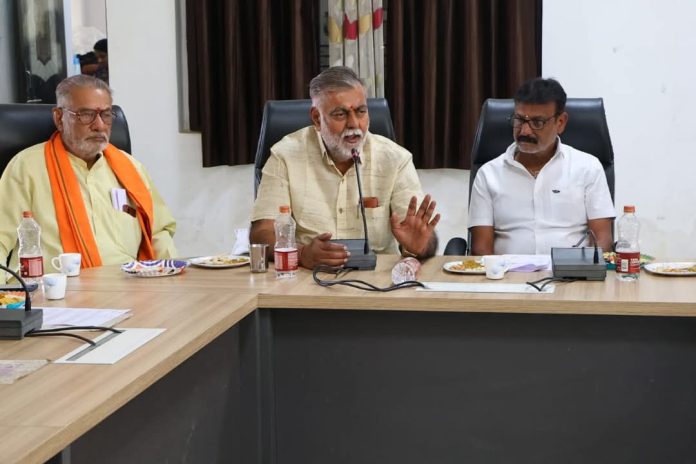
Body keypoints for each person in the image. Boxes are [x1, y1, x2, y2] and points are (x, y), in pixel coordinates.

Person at [250, 66, 439, 268]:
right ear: (317, 118)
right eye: (340, 114)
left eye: (361, 111)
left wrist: (419, 246)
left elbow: (420, 237)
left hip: (378, 280)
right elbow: (262, 233)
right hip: (307, 278)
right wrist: (302, 253)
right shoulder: (285, 156)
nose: (354, 124)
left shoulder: (395, 159)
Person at [0, 75, 177, 279]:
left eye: (106, 115)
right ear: (59, 118)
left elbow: (158, 232)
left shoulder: (132, 168)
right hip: (53, 291)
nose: (99, 125)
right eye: (86, 115)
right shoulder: (27, 167)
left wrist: (173, 278)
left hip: (129, 287)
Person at [468, 77, 615, 256]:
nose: (525, 131)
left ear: (560, 122)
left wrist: (583, 271)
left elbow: (602, 241)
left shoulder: (588, 168)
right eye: (519, 120)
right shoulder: (488, 174)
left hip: (571, 271)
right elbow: (481, 250)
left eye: (537, 123)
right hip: (506, 271)